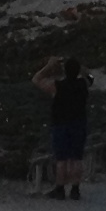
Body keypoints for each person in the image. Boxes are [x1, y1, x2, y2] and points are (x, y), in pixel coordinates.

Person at [33, 54, 90, 200]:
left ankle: (60, 188)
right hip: (78, 123)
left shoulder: (57, 86)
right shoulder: (83, 84)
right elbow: (90, 78)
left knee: (62, 159)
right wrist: (83, 70)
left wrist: (49, 65)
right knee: (76, 158)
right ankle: (75, 189)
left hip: (61, 124)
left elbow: (36, 79)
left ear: (65, 71)